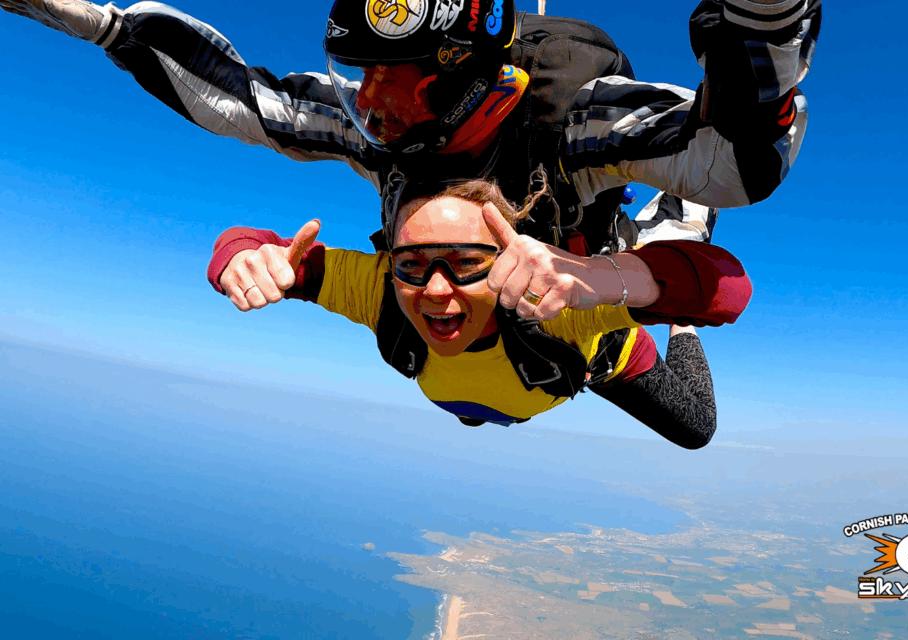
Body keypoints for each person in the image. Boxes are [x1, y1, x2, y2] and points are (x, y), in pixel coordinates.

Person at [1, 0, 821, 252]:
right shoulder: (372, 128)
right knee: (427, 357)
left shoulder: (567, 117)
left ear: (468, 83)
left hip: (582, 266)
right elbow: (243, 100)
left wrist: (762, 30)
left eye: (399, 83)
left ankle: (666, 228)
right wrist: (100, 24)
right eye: (362, 78)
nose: (373, 104)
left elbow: (737, 163)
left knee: (683, 408)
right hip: (458, 290)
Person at [205, 179, 751, 446]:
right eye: (413, 262)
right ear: (391, 259)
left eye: (467, 263)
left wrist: (607, 280)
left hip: (602, 358)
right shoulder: (386, 290)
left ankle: (667, 234)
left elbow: (724, 291)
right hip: (502, 392)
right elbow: (276, 254)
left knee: (696, 427)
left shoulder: (557, 305)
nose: (436, 290)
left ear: (508, 259)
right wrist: (240, 256)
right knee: (474, 409)